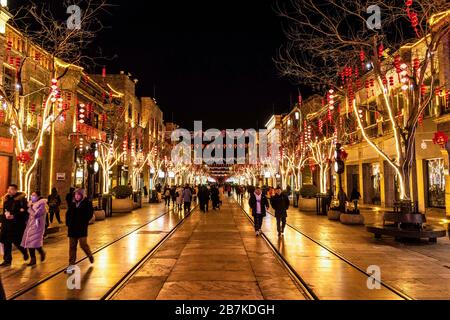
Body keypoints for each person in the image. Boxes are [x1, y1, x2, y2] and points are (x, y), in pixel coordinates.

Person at [65, 189, 94, 273]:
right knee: (72, 247)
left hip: (81, 227)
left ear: (82, 195)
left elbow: (90, 214)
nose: (77, 196)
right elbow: (68, 214)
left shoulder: (87, 203)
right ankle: (71, 265)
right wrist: (68, 223)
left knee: (83, 244)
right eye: (75, 195)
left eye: (78, 195)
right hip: (72, 228)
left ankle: (89, 255)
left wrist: (84, 221)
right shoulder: (72, 203)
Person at [0, 184, 29, 267]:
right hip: (6, 224)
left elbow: (24, 212)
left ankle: (24, 252)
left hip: (16, 225)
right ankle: (7, 260)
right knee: (6, 241)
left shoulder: (21, 199)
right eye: (8, 189)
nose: (9, 190)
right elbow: (4, 211)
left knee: (16, 241)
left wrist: (14, 216)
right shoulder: (6, 199)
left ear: (16, 190)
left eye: (12, 189)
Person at [21, 191, 47, 266]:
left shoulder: (42, 204)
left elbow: (36, 215)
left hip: (38, 226)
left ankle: (41, 252)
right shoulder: (31, 203)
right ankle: (33, 259)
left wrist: (30, 208)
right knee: (30, 242)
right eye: (32, 195)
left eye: (34, 195)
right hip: (30, 225)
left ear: (38, 196)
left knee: (34, 242)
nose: (32, 197)